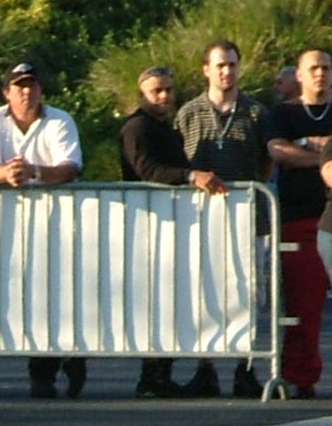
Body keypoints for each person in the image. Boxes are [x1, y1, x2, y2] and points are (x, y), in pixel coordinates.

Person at [0, 62, 86, 399]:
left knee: (58, 295)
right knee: (14, 295)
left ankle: (61, 366)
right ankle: (33, 372)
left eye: (32, 84)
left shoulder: (60, 119)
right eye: (19, 85)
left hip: (57, 224)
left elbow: (71, 167)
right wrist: (7, 174)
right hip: (5, 226)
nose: (26, 91)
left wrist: (33, 172)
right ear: (6, 92)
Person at [120, 65, 226, 398]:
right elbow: (147, 170)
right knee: (155, 301)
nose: (164, 96)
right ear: (141, 94)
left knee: (170, 299)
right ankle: (151, 377)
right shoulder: (137, 127)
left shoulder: (164, 128)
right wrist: (190, 176)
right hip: (149, 225)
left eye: (168, 90)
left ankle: (161, 374)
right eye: (157, 91)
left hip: (170, 224)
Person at [175, 39, 272, 398]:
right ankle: (206, 367)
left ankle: (245, 367)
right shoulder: (189, 113)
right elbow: (181, 160)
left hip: (249, 215)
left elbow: (266, 162)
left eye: (232, 64)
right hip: (202, 217)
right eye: (220, 65)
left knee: (249, 291)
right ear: (206, 70)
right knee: (205, 290)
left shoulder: (256, 113)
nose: (226, 71)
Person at [266, 48, 332, 399]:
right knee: (303, 305)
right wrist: (322, 156)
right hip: (300, 219)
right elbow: (279, 152)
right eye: (314, 68)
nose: (321, 74)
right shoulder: (284, 114)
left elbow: (293, 154)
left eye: (326, 68)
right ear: (300, 75)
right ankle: (300, 376)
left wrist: (303, 149)